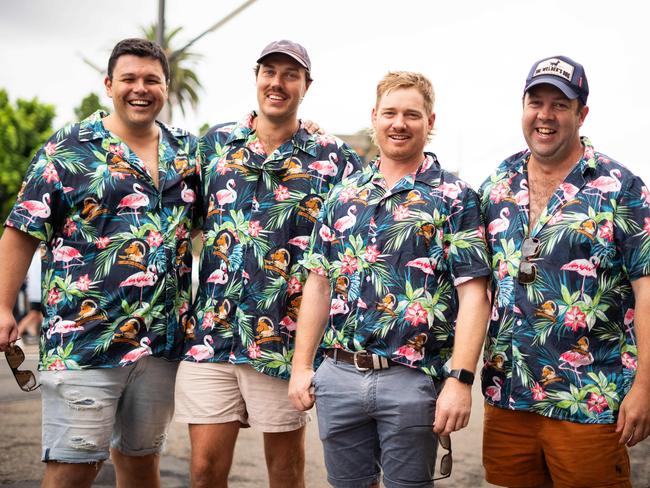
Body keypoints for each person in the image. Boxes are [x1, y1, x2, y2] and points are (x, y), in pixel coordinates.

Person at [0, 38, 199, 488]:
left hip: (161, 343)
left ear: (166, 87)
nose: (140, 88)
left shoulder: (188, 154)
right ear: (109, 85)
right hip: (85, 339)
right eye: (129, 79)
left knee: (141, 462)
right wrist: (1, 307)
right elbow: (20, 231)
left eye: (152, 79)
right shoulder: (69, 149)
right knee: (72, 468)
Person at [174, 39, 362, 488]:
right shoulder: (215, 146)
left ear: (306, 85)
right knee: (202, 472)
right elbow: (182, 225)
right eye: (269, 72)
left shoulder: (334, 159)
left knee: (285, 471)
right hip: (212, 336)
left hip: (283, 340)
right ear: (256, 77)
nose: (277, 83)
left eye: (290, 75)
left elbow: (355, 245)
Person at [289, 71, 491, 488]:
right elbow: (318, 284)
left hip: (411, 380)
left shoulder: (456, 197)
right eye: (390, 113)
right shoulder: (342, 196)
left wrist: (461, 380)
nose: (399, 123)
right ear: (374, 117)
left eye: (412, 114)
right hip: (338, 376)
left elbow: (474, 296)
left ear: (430, 122)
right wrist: (302, 366)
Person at [480, 55, 650, 488]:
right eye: (536, 102)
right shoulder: (497, 185)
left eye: (560, 104)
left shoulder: (622, 188)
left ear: (581, 114)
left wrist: (646, 386)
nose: (546, 115)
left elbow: (648, 291)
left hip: (588, 402)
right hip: (508, 398)